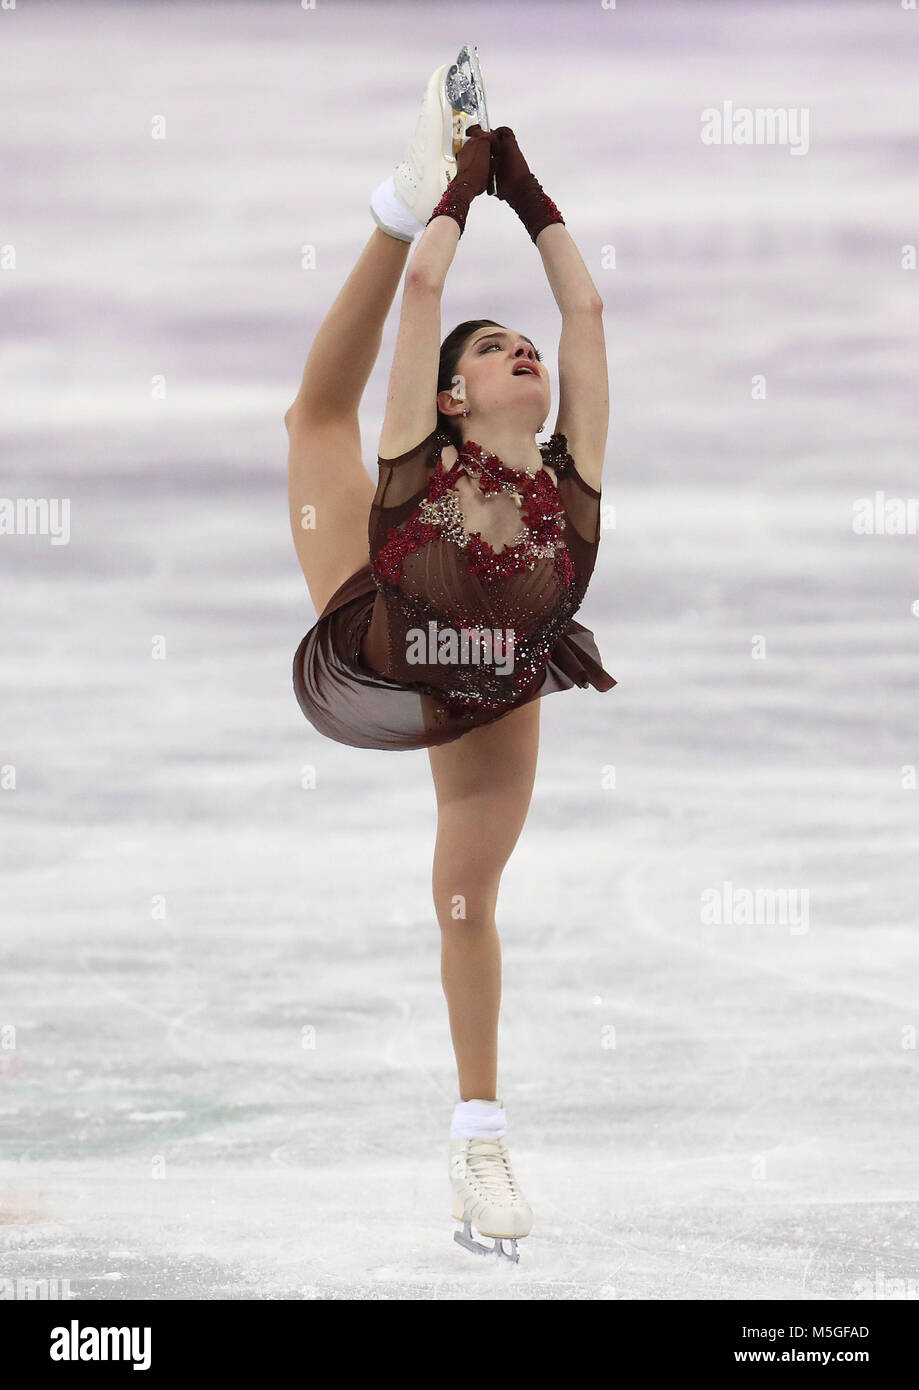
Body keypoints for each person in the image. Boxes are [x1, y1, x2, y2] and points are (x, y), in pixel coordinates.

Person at [285, 58, 615, 1262]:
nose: (524, 350)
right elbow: (432, 284)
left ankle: (480, 1142)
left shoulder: (570, 478)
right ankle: (384, 192)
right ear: (448, 393)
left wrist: (533, 200)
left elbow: (584, 316)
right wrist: (442, 199)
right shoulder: (421, 452)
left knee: (464, 898)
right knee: (313, 423)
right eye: (495, 347)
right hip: (383, 619)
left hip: (498, 667)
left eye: (523, 346)